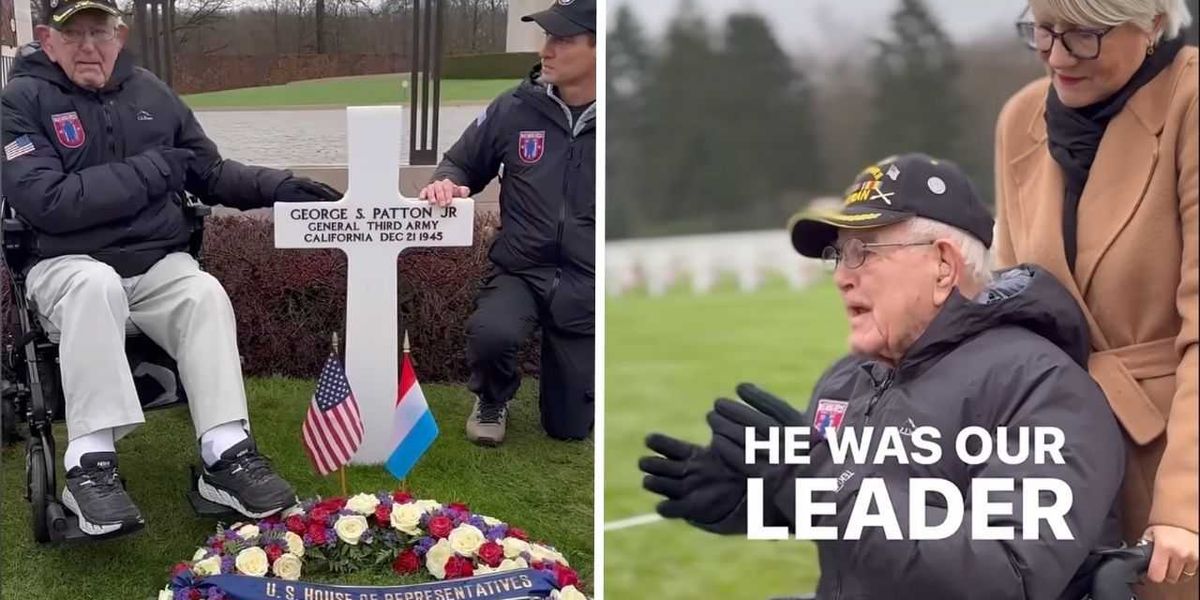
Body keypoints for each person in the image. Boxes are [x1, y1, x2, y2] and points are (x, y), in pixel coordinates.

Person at [639, 154, 1128, 599]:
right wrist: (756, 500)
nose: (840, 276)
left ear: (942, 265)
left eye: (864, 252)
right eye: (838, 255)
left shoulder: (1041, 387)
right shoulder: (847, 380)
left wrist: (821, 481)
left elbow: (1010, 575)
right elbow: (868, 510)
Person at [1, 0, 342, 535]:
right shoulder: (22, 100)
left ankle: (225, 454)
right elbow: (50, 201)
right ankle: (89, 466)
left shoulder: (152, 94)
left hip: (154, 263)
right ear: (47, 39)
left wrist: (277, 186)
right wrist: (156, 168)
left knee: (202, 292)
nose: (90, 46)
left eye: (101, 32)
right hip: (67, 264)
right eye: (75, 35)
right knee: (96, 285)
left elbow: (205, 169)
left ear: (120, 35)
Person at [994, 0, 1198, 596]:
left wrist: (1184, 503)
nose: (1057, 56)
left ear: (1153, 25)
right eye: (1042, 31)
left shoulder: (1190, 103)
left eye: (1084, 36)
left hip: (1173, 467)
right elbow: (1010, 307)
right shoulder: (1020, 119)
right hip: (1060, 465)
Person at [418, 0, 595, 446]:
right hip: (521, 268)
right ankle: (492, 398)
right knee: (492, 335)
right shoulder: (513, 108)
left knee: (568, 429)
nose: (546, 49)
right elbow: (460, 163)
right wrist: (447, 183)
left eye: (562, 39)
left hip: (589, 279)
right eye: (547, 37)